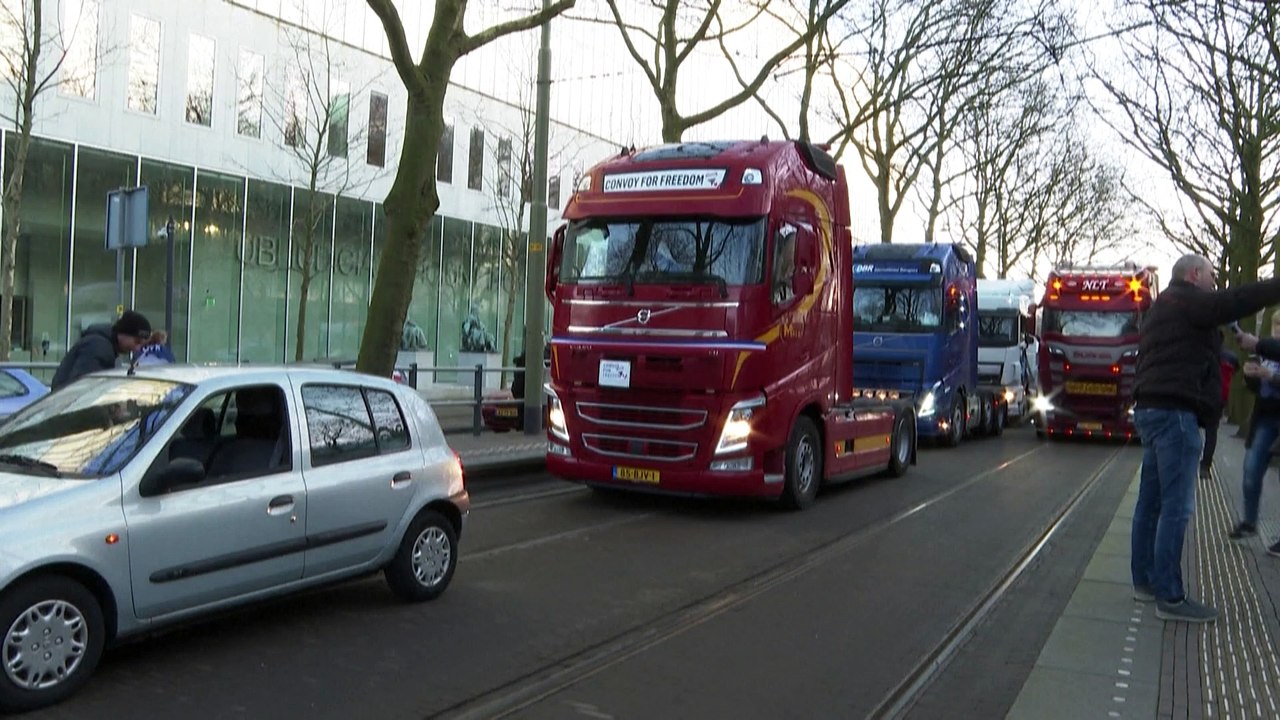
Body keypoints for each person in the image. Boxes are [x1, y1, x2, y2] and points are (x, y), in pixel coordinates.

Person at [1130, 255, 1280, 624]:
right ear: (1194, 275)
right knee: (1176, 508)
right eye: (1212, 275)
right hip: (1176, 414)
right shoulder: (1190, 299)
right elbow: (1235, 300)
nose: (1215, 281)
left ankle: (1145, 580)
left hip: (1150, 408)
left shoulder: (1161, 307)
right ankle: (1170, 595)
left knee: (1149, 502)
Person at [1232, 314, 1280, 556]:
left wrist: (1271, 376)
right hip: (1266, 419)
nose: (1278, 331)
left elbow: (1271, 378)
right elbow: (1258, 387)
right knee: (1251, 469)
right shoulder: (1269, 351)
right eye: (1275, 326)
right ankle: (1249, 522)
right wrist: (1251, 376)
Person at [51, 310, 152, 390]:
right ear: (123, 333)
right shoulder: (99, 347)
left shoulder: (103, 345)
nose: (137, 348)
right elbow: (84, 387)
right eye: (136, 341)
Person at [1198, 328, 1240, 480]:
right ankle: (1205, 466)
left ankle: (1189, 461)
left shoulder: (1202, 355)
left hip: (1198, 396)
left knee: (1190, 428)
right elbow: (1235, 370)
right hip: (1218, 399)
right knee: (1211, 433)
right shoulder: (1231, 357)